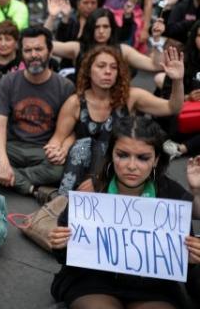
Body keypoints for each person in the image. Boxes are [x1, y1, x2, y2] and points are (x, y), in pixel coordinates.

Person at [49, 116, 200, 309]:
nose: (131, 166)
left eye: (143, 158)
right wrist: (60, 244)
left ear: (156, 160)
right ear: (111, 154)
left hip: (153, 286)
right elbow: (65, 254)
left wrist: (190, 258)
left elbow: (181, 258)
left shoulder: (171, 195)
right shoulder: (91, 193)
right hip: (93, 280)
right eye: (123, 155)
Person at [48, 45, 184, 197]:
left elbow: (173, 107)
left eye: (113, 67)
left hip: (120, 166)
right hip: (82, 167)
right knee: (83, 145)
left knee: (106, 144)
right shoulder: (75, 102)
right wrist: (55, 150)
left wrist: (177, 81)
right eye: (101, 66)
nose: (108, 71)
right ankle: (64, 200)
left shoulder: (130, 97)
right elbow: (58, 138)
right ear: (88, 70)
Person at [0, 26, 75, 197]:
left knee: (59, 170)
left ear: (50, 51)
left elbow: (72, 128)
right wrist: (3, 161)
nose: (33, 55)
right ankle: (29, 187)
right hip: (12, 146)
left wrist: (64, 148)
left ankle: (1, 177)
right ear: (21, 52)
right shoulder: (9, 81)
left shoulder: (65, 86)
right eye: (28, 50)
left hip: (42, 149)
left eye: (38, 49)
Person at [52, 8, 162, 79]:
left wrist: (157, 40)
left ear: (112, 28)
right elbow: (47, 46)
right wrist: (51, 17)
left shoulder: (123, 50)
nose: (101, 31)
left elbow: (154, 66)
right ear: (90, 28)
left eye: (105, 27)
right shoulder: (78, 47)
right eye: (97, 27)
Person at [157, 21, 200, 159]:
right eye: (199, 35)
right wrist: (187, 97)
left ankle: (180, 149)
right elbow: (165, 96)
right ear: (194, 37)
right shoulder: (182, 61)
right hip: (181, 117)